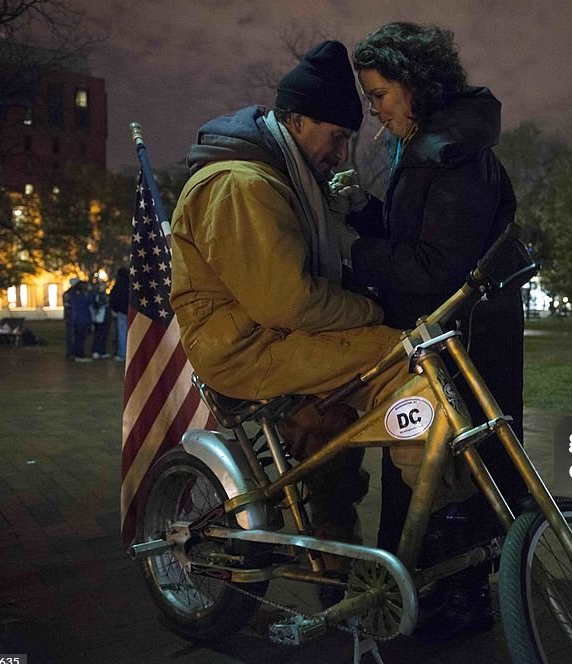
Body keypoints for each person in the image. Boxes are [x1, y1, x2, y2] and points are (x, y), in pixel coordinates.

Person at [170, 41, 471, 560]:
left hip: (273, 339)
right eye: (335, 137)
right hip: (248, 348)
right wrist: (374, 313)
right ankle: (443, 513)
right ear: (297, 121)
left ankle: (337, 563)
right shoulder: (242, 185)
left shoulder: (280, 179)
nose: (339, 153)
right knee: (402, 364)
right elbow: (287, 302)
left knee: (332, 436)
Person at [344, 22, 527, 638]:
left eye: (380, 94)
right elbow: (418, 238)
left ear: (416, 85)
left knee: (449, 479)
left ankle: (448, 603)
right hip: (443, 346)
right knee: (430, 475)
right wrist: (365, 212)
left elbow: (433, 268)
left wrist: (356, 254)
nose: (375, 109)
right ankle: (424, 594)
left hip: (461, 348)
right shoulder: (431, 146)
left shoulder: (449, 154)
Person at [66, 280, 93, 362]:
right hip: (82, 319)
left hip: (77, 319)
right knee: (80, 338)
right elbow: (90, 300)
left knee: (78, 337)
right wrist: (90, 292)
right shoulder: (81, 295)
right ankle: (80, 355)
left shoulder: (73, 295)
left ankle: (76, 354)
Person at [109, 267, 129, 361]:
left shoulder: (118, 286)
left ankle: (122, 353)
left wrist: (114, 309)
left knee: (122, 333)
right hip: (131, 311)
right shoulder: (131, 285)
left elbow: (113, 298)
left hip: (121, 312)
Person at [90, 282, 111, 359]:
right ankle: (96, 350)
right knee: (98, 335)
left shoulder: (105, 295)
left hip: (104, 317)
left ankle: (102, 351)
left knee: (103, 335)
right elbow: (97, 305)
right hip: (99, 318)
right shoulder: (98, 295)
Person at [62, 277, 80, 359]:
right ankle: (72, 353)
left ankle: (71, 352)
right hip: (72, 317)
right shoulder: (71, 294)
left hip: (71, 317)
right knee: (72, 336)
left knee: (72, 335)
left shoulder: (68, 293)